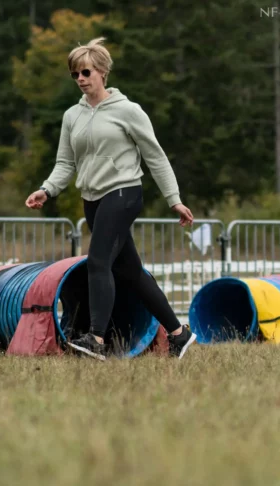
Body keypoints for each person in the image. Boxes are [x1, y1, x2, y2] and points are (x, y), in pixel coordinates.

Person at [25, 37, 197, 360]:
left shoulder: (128, 111)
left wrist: (174, 199)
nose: (80, 79)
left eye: (86, 72)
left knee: (98, 261)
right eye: (75, 74)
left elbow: (155, 157)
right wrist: (46, 189)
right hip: (92, 199)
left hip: (124, 193)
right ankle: (179, 334)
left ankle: (97, 340)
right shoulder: (71, 117)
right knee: (131, 272)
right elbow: (65, 163)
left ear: (102, 72)